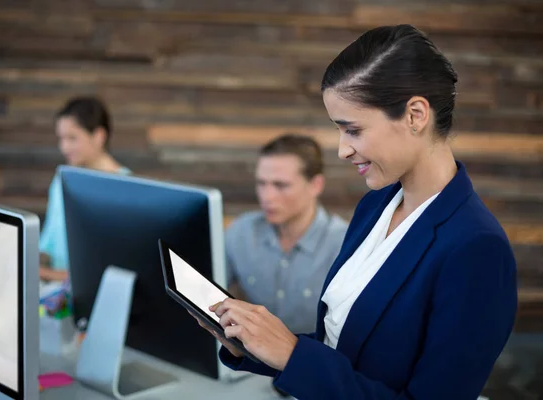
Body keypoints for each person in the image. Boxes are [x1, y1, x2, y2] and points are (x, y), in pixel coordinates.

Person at [194, 25, 518, 399]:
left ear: (415, 115)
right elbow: (345, 345)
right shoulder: (376, 205)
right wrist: (249, 342)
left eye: (353, 130)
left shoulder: (477, 249)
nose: (342, 150)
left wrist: (294, 354)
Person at [225, 134, 348, 335]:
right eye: (261, 183)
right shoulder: (241, 232)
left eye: (280, 185)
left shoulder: (344, 246)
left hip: (313, 363)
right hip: (246, 362)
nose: (267, 196)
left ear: (315, 185)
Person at [39, 97, 131, 282]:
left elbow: (110, 271)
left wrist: (42, 274)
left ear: (98, 136)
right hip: (54, 297)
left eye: (72, 138)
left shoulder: (126, 189)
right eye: (61, 139)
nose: (64, 147)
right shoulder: (61, 180)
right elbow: (48, 247)